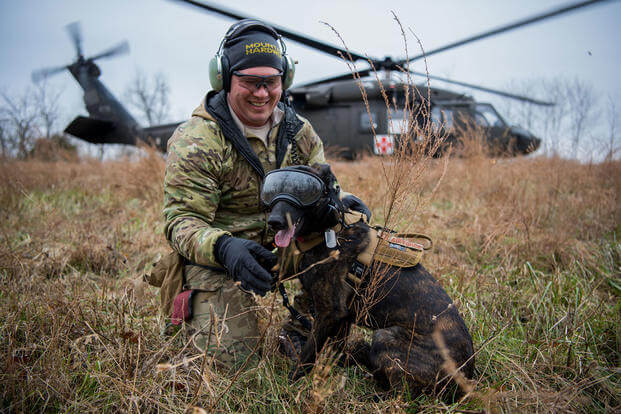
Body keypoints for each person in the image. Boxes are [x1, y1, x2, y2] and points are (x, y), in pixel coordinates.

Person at [161, 19, 369, 368]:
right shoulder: (196, 140)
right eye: (250, 82)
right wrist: (225, 248)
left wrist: (341, 201)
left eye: (270, 82)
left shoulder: (298, 132)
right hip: (221, 260)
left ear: (283, 80)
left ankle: (304, 324)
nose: (262, 94)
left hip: (286, 249)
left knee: (354, 232)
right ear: (225, 79)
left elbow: (317, 188)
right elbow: (181, 223)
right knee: (233, 365)